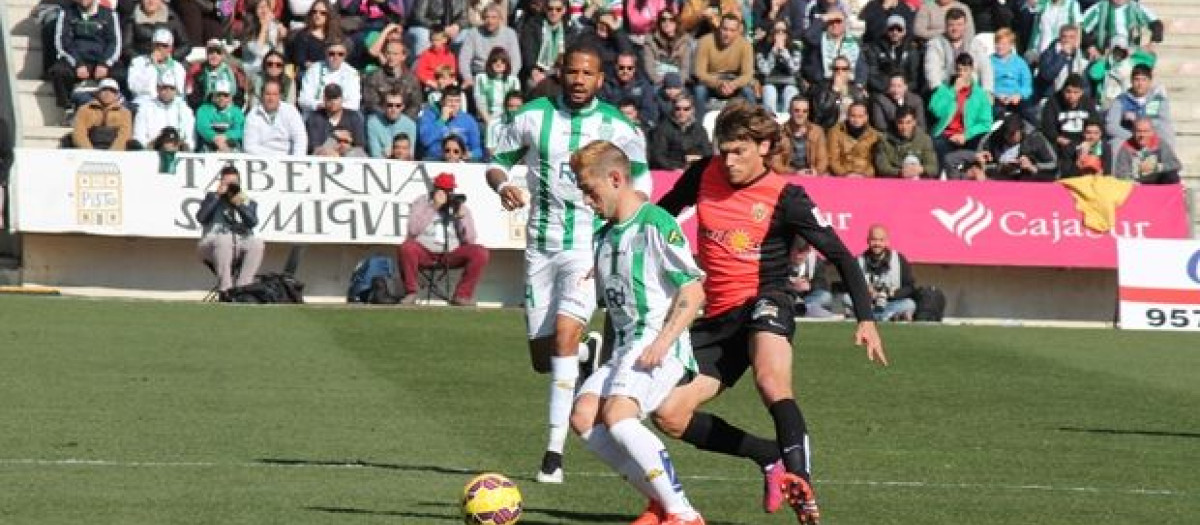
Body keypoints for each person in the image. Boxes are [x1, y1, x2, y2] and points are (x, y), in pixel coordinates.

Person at [654, 100, 887, 524]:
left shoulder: (787, 196)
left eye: (739, 151)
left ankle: (800, 479)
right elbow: (659, 217)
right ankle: (767, 456)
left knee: (770, 380)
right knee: (668, 414)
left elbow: (841, 255)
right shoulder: (703, 174)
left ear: (764, 147)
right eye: (724, 150)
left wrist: (866, 318)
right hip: (716, 316)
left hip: (765, 301)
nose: (729, 160)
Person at [486, 42, 651, 484]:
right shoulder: (533, 116)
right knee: (546, 357)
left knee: (561, 336)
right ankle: (585, 354)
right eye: (572, 72)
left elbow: (643, 182)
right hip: (539, 247)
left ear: (601, 79)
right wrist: (502, 185)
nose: (579, 80)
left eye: (588, 74)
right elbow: (496, 163)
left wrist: (624, 230)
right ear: (561, 72)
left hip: (586, 246)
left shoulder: (616, 126)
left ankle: (553, 454)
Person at [567, 141, 708, 525]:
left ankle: (684, 514)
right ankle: (658, 501)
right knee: (582, 416)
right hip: (627, 345)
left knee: (620, 417)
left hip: (658, 341)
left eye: (589, 190)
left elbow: (693, 290)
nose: (587, 200)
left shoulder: (655, 222)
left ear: (615, 179)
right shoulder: (604, 236)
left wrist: (663, 342)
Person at [398, 173, 491, 306]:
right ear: (435, 189)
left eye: (450, 190)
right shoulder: (422, 202)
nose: (447, 194)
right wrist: (433, 207)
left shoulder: (460, 207)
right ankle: (411, 292)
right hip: (425, 252)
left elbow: (470, 240)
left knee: (480, 252)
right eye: (443, 190)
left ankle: (462, 295)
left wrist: (461, 218)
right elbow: (413, 230)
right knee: (407, 247)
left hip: (451, 254)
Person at [196, 166, 266, 300]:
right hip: (211, 244)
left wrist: (239, 204)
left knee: (257, 243)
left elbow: (252, 222)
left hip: (238, 244)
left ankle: (243, 289)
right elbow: (201, 218)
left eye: (233, 184)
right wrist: (217, 196)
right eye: (227, 183)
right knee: (224, 239)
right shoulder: (211, 197)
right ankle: (225, 290)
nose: (230, 187)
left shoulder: (246, 200)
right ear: (220, 183)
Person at [49, 0, 122, 118]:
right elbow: (62, 43)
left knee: (121, 74)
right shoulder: (66, 13)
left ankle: (118, 108)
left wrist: (105, 63)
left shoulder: (109, 14)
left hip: (100, 61)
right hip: (76, 60)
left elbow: (115, 43)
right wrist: (77, 63)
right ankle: (68, 108)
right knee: (58, 71)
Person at [929, 53, 993, 175]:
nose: (961, 73)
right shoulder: (944, 89)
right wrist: (953, 91)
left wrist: (966, 135)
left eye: (965, 70)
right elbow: (936, 111)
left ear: (971, 70)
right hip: (947, 134)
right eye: (959, 69)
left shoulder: (980, 95)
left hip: (968, 136)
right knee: (938, 146)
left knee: (974, 150)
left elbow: (986, 123)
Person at [843, 224, 915, 321]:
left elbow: (909, 287)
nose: (877, 244)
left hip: (890, 303)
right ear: (868, 241)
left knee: (909, 304)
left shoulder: (899, 259)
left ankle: (876, 316)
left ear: (887, 242)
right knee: (846, 298)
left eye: (881, 240)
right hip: (868, 304)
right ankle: (885, 317)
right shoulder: (858, 261)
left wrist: (892, 293)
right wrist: (866, 292)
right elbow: (849, 285)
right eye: (874, 240)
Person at [693, 14, 757, 114]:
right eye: (725, 29)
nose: (727, 34)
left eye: (732, 30)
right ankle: (698, 125)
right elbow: (699, 72)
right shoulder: (705, 41)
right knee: (699, 91)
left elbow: (747, 74)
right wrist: (718, 84)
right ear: (719, 28)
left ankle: (753, 124)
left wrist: (733, 85)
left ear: (738, 31)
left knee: (748, 92)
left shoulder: (745, 45)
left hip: (734, 81)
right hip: (712, 81)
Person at [1040, 74, 1098, 177]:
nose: (1071, 96)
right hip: (1060, 142)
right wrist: (1060, 140)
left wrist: (1088, 143)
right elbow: (1047, 127)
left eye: (1076, 92)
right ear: (1063, 90)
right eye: (1068, 91)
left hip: (1083, 141)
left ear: (1081, 92)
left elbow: (1095, 124)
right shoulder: (1053, 102)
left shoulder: (1087, 102)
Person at [1105, 64, 1175, 150]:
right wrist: (1134, 136)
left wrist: (1137, 120)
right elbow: (1111, 126)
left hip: (1151, 138)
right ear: (1131, 81)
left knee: (1166, 132)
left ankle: (1166, 160)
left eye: (1144, 80)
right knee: (1115, 143)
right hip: (1128, 138)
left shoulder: (1158, 100)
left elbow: (1163, 123)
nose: (1140, 84)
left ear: (1150, 81)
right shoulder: (1121, 100)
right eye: (1136, 80)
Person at [924, 8, 991, 94]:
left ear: (965, 25)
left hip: (972, 91)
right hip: (945, 90)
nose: (955, 28)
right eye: (951, 25)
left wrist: (987, 90)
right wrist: (941, 92)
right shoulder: (935, 44)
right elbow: (932, 71)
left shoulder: (975, 44)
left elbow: (986, 68)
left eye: (959, 24)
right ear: (946, 26)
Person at [975, 114, 1059, 181]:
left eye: (1013, 134)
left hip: (1027, 179)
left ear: (1021, 131)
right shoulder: (991, 139)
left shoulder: (1035, 139)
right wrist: (1000, 167)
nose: (1010, 138)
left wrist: (1032, 166)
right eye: (1007, 134)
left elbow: (1053, 163)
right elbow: (979, 162)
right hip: (999, 177)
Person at [458, 5, 523, 88]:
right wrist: (467, 78)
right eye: (486, 17)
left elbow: (516, 60)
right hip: (479, 76)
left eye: (494, 17)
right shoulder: (473, 34)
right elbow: (464, 59)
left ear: (500, 19)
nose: (490, 21)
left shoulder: (510, 34)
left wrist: (508, 78)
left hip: (503, 76)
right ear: (482, 18)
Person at [801, 9, 866, 86]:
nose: (835, 25)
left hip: (849, 84)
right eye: (831, 22)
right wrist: (825, 17)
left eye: (838, 21)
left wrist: (859, 84)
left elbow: (861, 67)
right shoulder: (819, 40)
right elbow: (807, 36)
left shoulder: (854, 43)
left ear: (845, 23)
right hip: (823, 84)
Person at [126, 29, 189, 108]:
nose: (160, 49)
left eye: (164, 46)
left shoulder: (178, 67)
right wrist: (151, 65)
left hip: (169, 105)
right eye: (157, 45)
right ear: (152, 45)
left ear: (171, 48)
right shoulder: (138, 62)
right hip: (145, 103)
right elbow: (133, 87)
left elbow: (179, 91)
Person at [244, 78, 308, 156]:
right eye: (268, 94)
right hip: (261, 159)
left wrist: (297, 160)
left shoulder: (291, 111)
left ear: (280, 96)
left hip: (289, 160)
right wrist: (273, 158)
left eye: (274, 94)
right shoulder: (253, 115)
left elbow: (300, 138)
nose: (271, 98)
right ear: (262, 95)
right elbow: (250, 146)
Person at [417, 86, 483, 161]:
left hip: (460, 160)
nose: (453, 105)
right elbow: (425, 141)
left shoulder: (468, 120)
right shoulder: (429, 115)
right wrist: (442, 120)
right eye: (450, 101)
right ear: (442, 102)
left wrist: (470, 154)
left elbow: (478, 150)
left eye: (457, 101)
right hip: (435, 159)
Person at [134, 73, 196, 151]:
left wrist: (187, 146)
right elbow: (139, 135)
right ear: (158, 89)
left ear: (176, 90)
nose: (168, 91)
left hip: (179, 149)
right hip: (153, 149)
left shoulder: (184, 108)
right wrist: (148, 146)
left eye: (172, 88)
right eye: (164, 88)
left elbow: (191, 136)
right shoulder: (145, 107)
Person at [863, 14, 923, 96]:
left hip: (906, 92)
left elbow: (915, 77)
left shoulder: (912, 50)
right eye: (891, 29)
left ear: (904, 31)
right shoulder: (876, 48)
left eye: (899, 29)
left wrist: (901, 89)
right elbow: (873, 75)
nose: (895, 32)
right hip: (882, 92)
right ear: (886, 30)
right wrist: (889, 89)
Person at [362, 40, 424, 119]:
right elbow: (371, 104)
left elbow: (416, 104)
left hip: (405, 121)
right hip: (380, 120)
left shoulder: (412, 79)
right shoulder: (373, 77)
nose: (391, 57)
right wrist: (389, 116)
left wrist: (401, 119)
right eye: (388, 53)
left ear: (403, 57)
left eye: (395, 54)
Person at [1080, 0, 1162, 59]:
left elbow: (1157, 24)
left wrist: (1152, 44)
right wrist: (1090, 47)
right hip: (1105, 53)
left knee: (1149, 59)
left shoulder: (1136, 8)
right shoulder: (1100, 7)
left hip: (1130, 53)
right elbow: (1080, 27)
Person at [649, 94, 711, 170]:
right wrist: (677, 167)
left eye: (686, 109)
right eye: (678, 109)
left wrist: (698, 159)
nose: (682, 112)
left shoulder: (700, 130)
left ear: (692, 110)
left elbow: (708, 153)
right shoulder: (662, 129)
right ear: (673, 109)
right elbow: (658, 156)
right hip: (672, 171)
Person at [186, 39, 252, 111]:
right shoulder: (200, 75)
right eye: (211, 53)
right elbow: (194, 99)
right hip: (206, 110)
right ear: (207, 54)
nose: (214, 56)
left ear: (222, 55)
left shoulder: (232, 74)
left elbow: (239, 97)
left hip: (229, 111)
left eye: (218, 53)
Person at [299, 41, 363, 114]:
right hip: (316, 114)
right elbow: (303, 99)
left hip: (343, 117)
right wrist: (320, 105)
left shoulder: (352, 73)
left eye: (340, 54)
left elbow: (354, 104)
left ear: (345, 56)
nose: (336, 57)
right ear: (326, 54)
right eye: (331, 54)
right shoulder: (314, 69)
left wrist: (333, 107)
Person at [475, 48, 522, 145]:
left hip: (508, 121)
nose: (499, 64)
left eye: (503, 61)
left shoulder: (513, 80)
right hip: (487, 121)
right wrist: (491, 124)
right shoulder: (481, 78)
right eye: (495, 61)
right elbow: (480, 104)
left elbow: (516, 105)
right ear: (490, 63)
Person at [1113, 118, 1181, 185]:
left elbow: (1176, 164)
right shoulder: (1126, 147)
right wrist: (1136, 172)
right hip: (1136, 184)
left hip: (1158, 182)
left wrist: (1155, 167)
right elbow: (1120, 174)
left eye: (1146, 131)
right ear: (1133, 132)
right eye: (1139, 131)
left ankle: (1171, 195)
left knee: (1172, 175)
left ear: (1152, 132)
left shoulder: (1160, 143)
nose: (1142, 135)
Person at [756, 19, 804, 115]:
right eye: (777, 31)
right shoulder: (762, 48)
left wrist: (785, 54)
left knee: (790, 92)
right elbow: (765, 71)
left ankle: (787, 124)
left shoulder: (795, 48)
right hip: (770, 82)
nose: (780, 34)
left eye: (783, 31)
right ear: (772, 33)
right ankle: (770, 123)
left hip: (790, 82)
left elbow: (795, 70)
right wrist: (773, 54)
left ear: (787, 33)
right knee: (769, 92)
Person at [875, 106, 937, 178]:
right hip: (894, 180)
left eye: (908, 122)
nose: (904, 127)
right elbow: (882, 167)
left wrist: (921, 169)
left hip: (917, 180)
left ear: (914, 122)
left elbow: (933, 168)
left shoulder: (925, 139)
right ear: (896, 122)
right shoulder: (884, 140)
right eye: (900, 123)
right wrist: (900, 172)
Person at [287, 0, 345, 77]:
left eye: (322, 13)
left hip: (332, 73)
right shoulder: (303, 36)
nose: (318, 15)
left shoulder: (334, 36)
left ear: (329, 15)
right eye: (314, 12)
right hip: (310, 74)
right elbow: (300, 60)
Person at [70, 79, 133, 150]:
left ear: (117, 95)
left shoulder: (125, 112)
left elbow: (124, 135)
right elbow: (79, 133)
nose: (107, 93)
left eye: (112, 91)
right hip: (90, 148)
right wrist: (89, 152)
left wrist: (113, 153)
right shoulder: (84, 109)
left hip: (114, 151)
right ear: (98, 93)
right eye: (104, 90)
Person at [121, 0, 191, 64]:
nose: (151, 1)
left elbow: (185, 44)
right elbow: (126, 47)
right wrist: (146, 60)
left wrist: (170, 56)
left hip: (169, 62)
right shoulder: (132, 19)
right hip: (143, 64)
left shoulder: (171, 17)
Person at [305, 84, 367, 154]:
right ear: (324, 99)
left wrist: (346, 148)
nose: (333, 102)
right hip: (323, 159)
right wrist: (334, 137)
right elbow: (315, 149)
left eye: (336, 98)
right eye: (329, 99)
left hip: (349, 158)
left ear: (342, 99)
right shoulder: (314, 118)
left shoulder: (354, 117)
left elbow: (360, 147)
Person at [1033, 24, 1088, 102]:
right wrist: (1063, 55)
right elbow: (1047, 75)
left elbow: (1085, 85)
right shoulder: (1048, 54)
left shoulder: (1080, 58)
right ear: (1059, 38)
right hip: (1049, 98)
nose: (1067, 40)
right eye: (1064, 37)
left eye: (1071, 37)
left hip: (1074, 100)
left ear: (1076, 40)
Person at [601, 52, 659, 125]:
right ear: (616, 67)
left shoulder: (644, 86)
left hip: (637, 125)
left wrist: (636, 115)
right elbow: (602, 108)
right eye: (621, 67)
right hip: (613, 123)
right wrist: (620, 114)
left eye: (629, 68)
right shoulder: (607, 85)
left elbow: (650, 113)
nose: (625, 71)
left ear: (634, 69)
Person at [642, 8, 694, 87]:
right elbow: (650, 68)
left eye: (671, 19)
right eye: (663, 20)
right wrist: (661, 82)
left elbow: (685, 69)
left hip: (678, 82)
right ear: (659, 22)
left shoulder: (685, 40)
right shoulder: (650, 40)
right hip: (659, 82)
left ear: (676, 22)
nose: (667, 23)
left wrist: (676, 84)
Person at [990, 28, 1033, 120]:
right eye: (998, 43)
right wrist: (996, 94)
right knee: (997, 112)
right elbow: (984, 84)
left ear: (1011, 45)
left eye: (1004, 44)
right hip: (997, 97)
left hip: (1015, 97)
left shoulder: (1020, 62)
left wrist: (1019, 95)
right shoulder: (989, 61)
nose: (1000, 46)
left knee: (1028, 112)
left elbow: (1027, 84)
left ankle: (1038, 131)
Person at [827, 102, 879, 177]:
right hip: (842, 175)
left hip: (865, 176)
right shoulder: (835, 132)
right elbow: (832, 159)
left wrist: (865, 175)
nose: (856, 120)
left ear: (866, 117)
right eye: (853, 116)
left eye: (860, 116)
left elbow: (875, 162)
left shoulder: (874, 135)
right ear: (847, 116)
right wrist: (845, 174)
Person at [239, 0, 289, 76]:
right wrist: (264, 26)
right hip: (253, 71)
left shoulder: (273, 25)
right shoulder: (248, 28)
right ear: (253, 11)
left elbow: (278, 53)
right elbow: (258, 51)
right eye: (260, 7)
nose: (264, 10)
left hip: (270, 69)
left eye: (266, 7)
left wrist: (280, 38)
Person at [787, 238, 835, 317]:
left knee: (825, 296)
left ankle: (802, 308)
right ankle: (802, 309)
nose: (799, 256)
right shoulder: (781, 261)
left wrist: (809, 286)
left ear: (808, 251)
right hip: (788, 295)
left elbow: (822, 284)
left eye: (803, 251)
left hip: (809, 298)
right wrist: (792, 285)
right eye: (797, 251)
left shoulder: (816, 262)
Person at [195, 80, 246, 152]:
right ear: (213, 96)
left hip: (230, 145)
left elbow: (240, 130)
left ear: (230, 97)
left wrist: (225, 136)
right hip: (209, 145)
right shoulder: (203, 109)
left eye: (225, 95)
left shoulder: (236, 111)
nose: (222, 98)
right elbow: (203, 128)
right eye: (218, 95)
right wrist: (215, 138)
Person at [782, 96, 829, 175]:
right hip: (788, 175)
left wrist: (816, 171)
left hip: (811, 175)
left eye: (805, 111)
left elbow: (823, 159)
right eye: (797, 111)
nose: (801, 114)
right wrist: (795, 172)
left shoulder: (817, 131)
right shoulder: (780, 132)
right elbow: (775, 163)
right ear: (789, 111)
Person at [366, 91, 418, 158]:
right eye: (390, 105)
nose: (394, 109)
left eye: (398, 106)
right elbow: (375, 154)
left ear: (403, 107)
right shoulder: (373, 123)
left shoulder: (410, 125)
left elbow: (410, 154)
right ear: (384, 106)